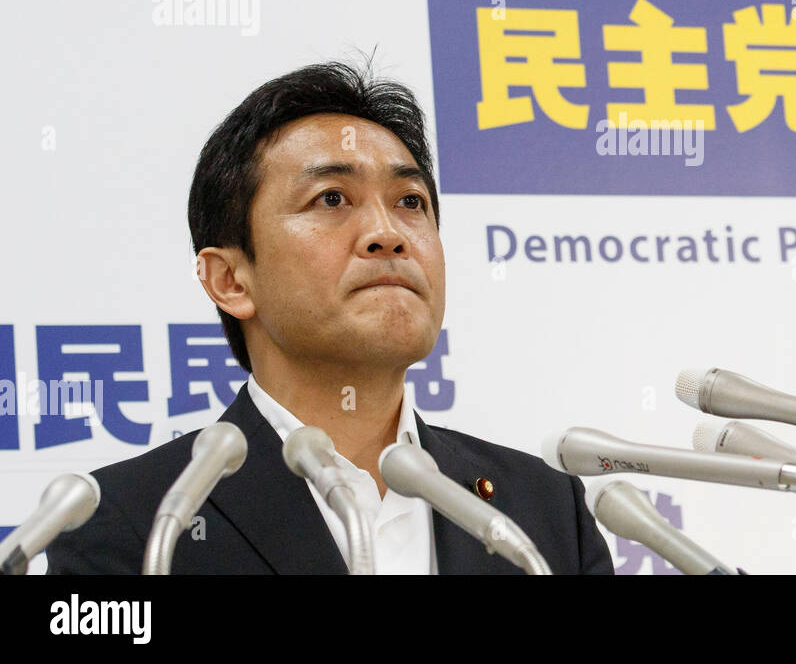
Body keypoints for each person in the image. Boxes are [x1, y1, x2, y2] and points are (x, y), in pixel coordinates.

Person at [46, 59, 613, 574]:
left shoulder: (544, 512)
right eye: (332, 199)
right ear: (230, 280)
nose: (387, 234)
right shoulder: (134, 523)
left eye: (410, 202)